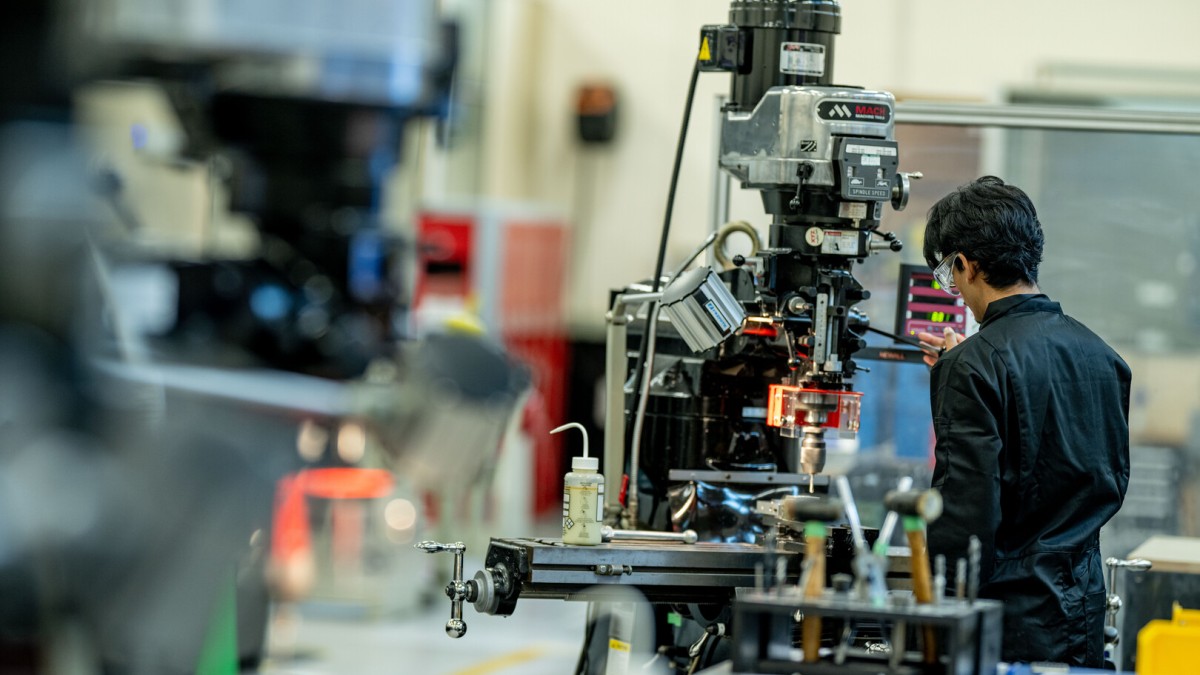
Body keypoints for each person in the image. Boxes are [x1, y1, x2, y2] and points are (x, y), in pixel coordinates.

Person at [915, 176, 1130, 667]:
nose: (956, 292)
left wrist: (934, 626)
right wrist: (963, 365)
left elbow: (964, 522)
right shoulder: (1104, 358)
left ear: (966, 265)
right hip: (1082, 615)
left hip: (1006, 631)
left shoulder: (971, 366)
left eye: (949, 276)